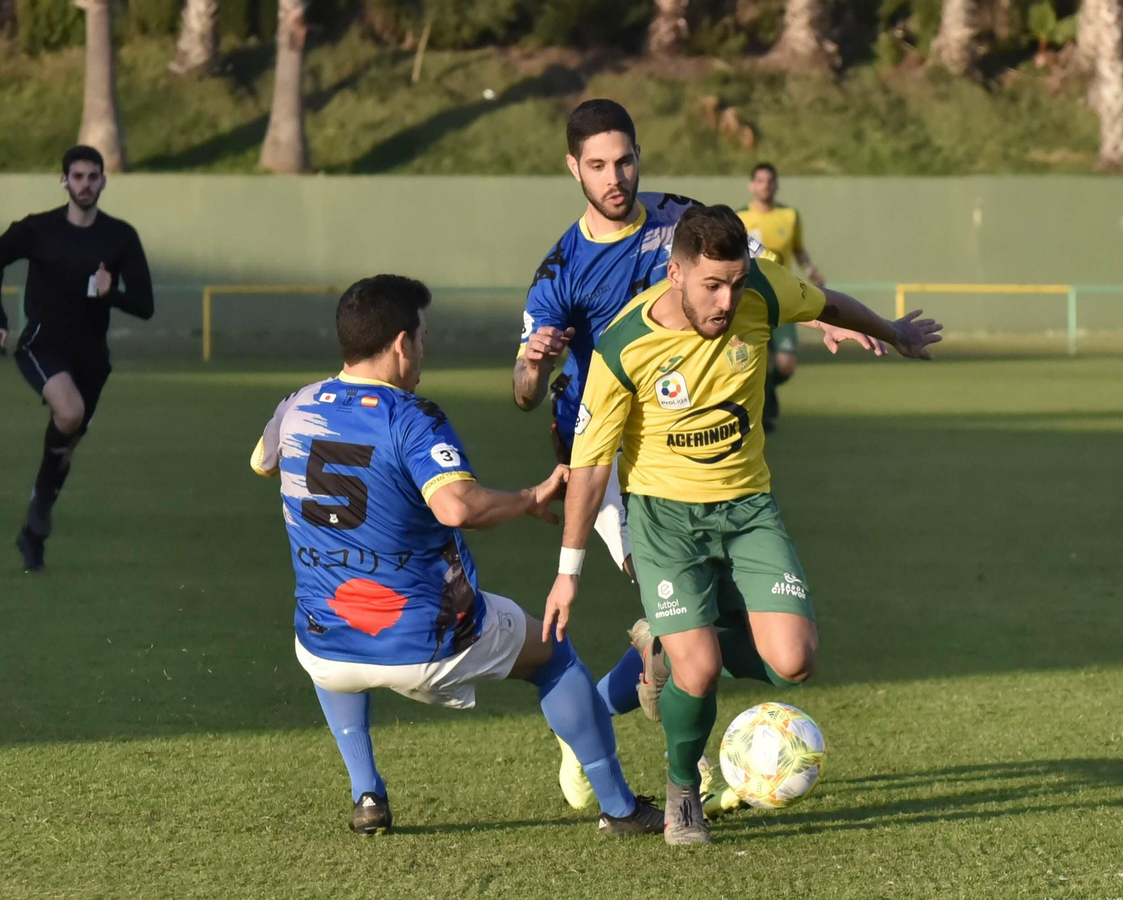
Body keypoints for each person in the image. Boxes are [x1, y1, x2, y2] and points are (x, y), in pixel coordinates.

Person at [514, 99, 878, 810]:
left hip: (692, 444)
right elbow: (526, 393)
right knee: (678, 625)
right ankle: (695, 765)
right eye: (597, 165)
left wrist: (813, 315)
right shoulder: (561, 269)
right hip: (612, 455)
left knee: (685, 629)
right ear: (573, 168)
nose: (615, 177)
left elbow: (759, 275)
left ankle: (596, 712)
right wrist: (531, 365)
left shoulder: (680, 219)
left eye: (625, 160)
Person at [542, 205, 943, 844]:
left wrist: (892, 331)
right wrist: (568, 574)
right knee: (697, 670)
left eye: (735, 282)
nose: (727, 300)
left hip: (749, 509)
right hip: (665, 521)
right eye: (712, 285)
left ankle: (668, 649)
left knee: (794, 661)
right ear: (675, 274)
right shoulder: (624, 345)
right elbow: (590, 470)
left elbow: (828, 303)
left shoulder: (761, 289)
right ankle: (681, 796)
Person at [250, 274, 664, 838]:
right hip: (431, 640)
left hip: (324, 644)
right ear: (401, 344)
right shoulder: (411, 417)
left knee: (330, 636)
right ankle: (620, 809)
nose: (424, 348)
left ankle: (367, 795)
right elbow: (457, 507)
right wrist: (530, 497)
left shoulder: (297, 404)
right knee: (554, 654)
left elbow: (263, 461)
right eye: (422, 336)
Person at [0, 145, 154, 573]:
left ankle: (34, 528)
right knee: (70, 412)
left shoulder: (120, 237)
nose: (85, 184)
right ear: (64, 181)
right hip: (42, 343)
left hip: (92, 357)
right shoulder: (38, 229)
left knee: (66, 445)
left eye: (92, 177)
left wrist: (110, 291)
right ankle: (39, 512)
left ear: (103, 181)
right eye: (77, 177)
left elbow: (145, 305)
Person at [737, 163, 862, 434]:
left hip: (783, 296)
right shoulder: (739, 218)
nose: (765, 185)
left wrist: (811, 271)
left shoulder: (789, 216)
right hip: (751, 299)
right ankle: (764, 413)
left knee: (785, 364)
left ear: (776, 184)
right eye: (759, 180)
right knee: (755, 359)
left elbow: (799, 251)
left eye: (770, 180)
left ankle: (767, 390)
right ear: (751, 185)